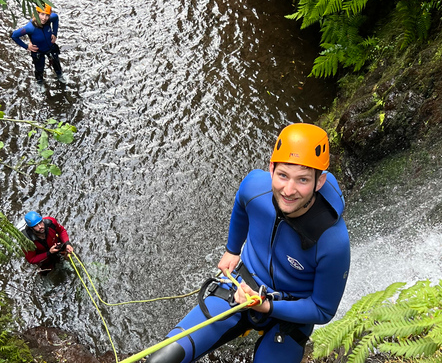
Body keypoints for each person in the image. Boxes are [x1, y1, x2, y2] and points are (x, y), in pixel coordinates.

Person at [148, 123, 350, 363]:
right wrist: (232, 249)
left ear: (319, 181)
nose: (288, 190)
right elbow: (241, 204)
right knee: (163, 358)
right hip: (241, 286)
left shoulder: (332, 241)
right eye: (282, 175)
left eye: (303, 180)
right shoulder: (255, 186)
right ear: (271, 168)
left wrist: (267, 307)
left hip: (290, 314)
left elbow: (322, 310)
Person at [11, 4, 67, 85]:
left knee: (56, 63)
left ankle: (60, 76)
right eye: (42, 14)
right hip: (38, 52)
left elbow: (56, 18)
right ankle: (40, 82)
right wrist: (27, 47)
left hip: (50, 47)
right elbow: (14, 35)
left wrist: (55, 34)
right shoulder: (29, 28)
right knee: (39, 69)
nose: (44, 18)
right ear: (36, 13)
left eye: (47, 15)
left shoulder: (50, 19)